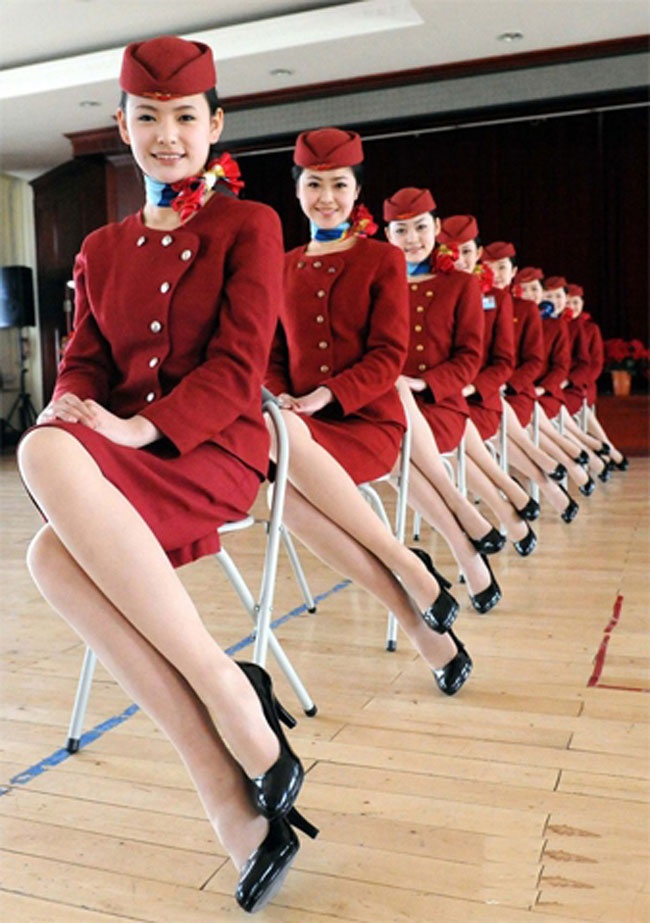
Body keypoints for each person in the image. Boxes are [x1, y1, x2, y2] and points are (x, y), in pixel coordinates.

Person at [17, 36, 315, 914]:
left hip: (210, 451)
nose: (167, 135)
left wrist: (136, 428)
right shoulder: (101, 247)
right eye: (147, 118)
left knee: (41, 458)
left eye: (185, 117)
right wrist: (74, 409)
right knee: (46, 550)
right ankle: (230, 783)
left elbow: (237, 369)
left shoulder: (250, 225)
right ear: (123, 126)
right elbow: (83, 362)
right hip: (121, 458)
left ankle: (231, 695)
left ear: (214, 124)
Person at [265, 129, 473, 693]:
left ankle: (408, 567)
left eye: (339, 185)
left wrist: (323, 397)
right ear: (297, 190)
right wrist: (283, 397)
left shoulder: (383, 258)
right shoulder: (280, 266)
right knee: (283, 498)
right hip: (301, 424)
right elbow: (272, 356)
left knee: (284, 471)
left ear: (357, 191)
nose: (326, 197)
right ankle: (417, 603)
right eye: (314, 185)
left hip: (367, 421)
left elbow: (388, 357)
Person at [381, 187, 505, 614]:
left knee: (392, 445)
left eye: (420, 227)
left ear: (436, 228)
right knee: (390, 439)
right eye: (401, 230)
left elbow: (469, 359)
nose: (412, 238)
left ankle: (465, 549)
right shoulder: (378, 282)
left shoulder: (461, 285)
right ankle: (465, 538)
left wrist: (422, 384)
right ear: (387, 234)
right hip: (387, 405)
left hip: (440, 404)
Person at [431, 215, 539, 556]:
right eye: (451, 251)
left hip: (478, 398)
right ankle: (509, 507)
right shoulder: (431, 288)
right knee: (445, 440)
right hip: (434, 393)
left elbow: (504, 362)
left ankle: (500, 518)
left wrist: (469, 387)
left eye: (466, 251)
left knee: (451, 441)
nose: (459, 259)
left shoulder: (496, 298)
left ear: (478, 254)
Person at [482, 245, 580, 522]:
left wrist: (507, 384)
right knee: (493, 425)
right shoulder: (476, 299)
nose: (496, 273)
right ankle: (548, 482)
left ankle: (535, 489)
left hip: (515, 391)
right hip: (483, 388)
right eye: (490, 266)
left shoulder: (525, 309)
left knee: (495, 423)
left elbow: (535, 361)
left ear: (513, 271)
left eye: (503, 267)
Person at [516, 268, 597, 497]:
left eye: (535, 289)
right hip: (520, 389)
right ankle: (575, 455)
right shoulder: (514, 318)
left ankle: (575, 457)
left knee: (526, 417)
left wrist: (543, 388)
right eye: (525, 289)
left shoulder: (555, 324)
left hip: (546, 391)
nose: (530, 294)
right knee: (524, 420)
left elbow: (561, 366)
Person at [565, 283, 628, 470]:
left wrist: (578, 381)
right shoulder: (557, 325)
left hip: (583, 382)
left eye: (576, 302)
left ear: (582, 304)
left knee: (579, 402)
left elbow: (595, 364)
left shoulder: (590, 329)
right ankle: (608, 452)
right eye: (568, 303)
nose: (572, 307)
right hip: (562, 382)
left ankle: (604, 451)